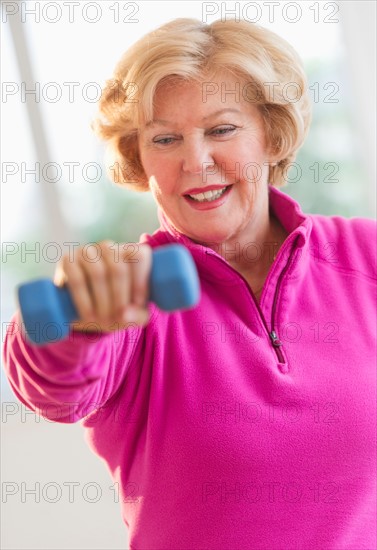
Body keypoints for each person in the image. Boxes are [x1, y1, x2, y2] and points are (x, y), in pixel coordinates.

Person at [3, 17, 376, 550]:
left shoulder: (365, 257)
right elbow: (50, 389)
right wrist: (79, 317)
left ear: (270, 134)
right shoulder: (132, 288)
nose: (196, 161)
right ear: (140, 157)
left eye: (222, 130)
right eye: (165, 138)